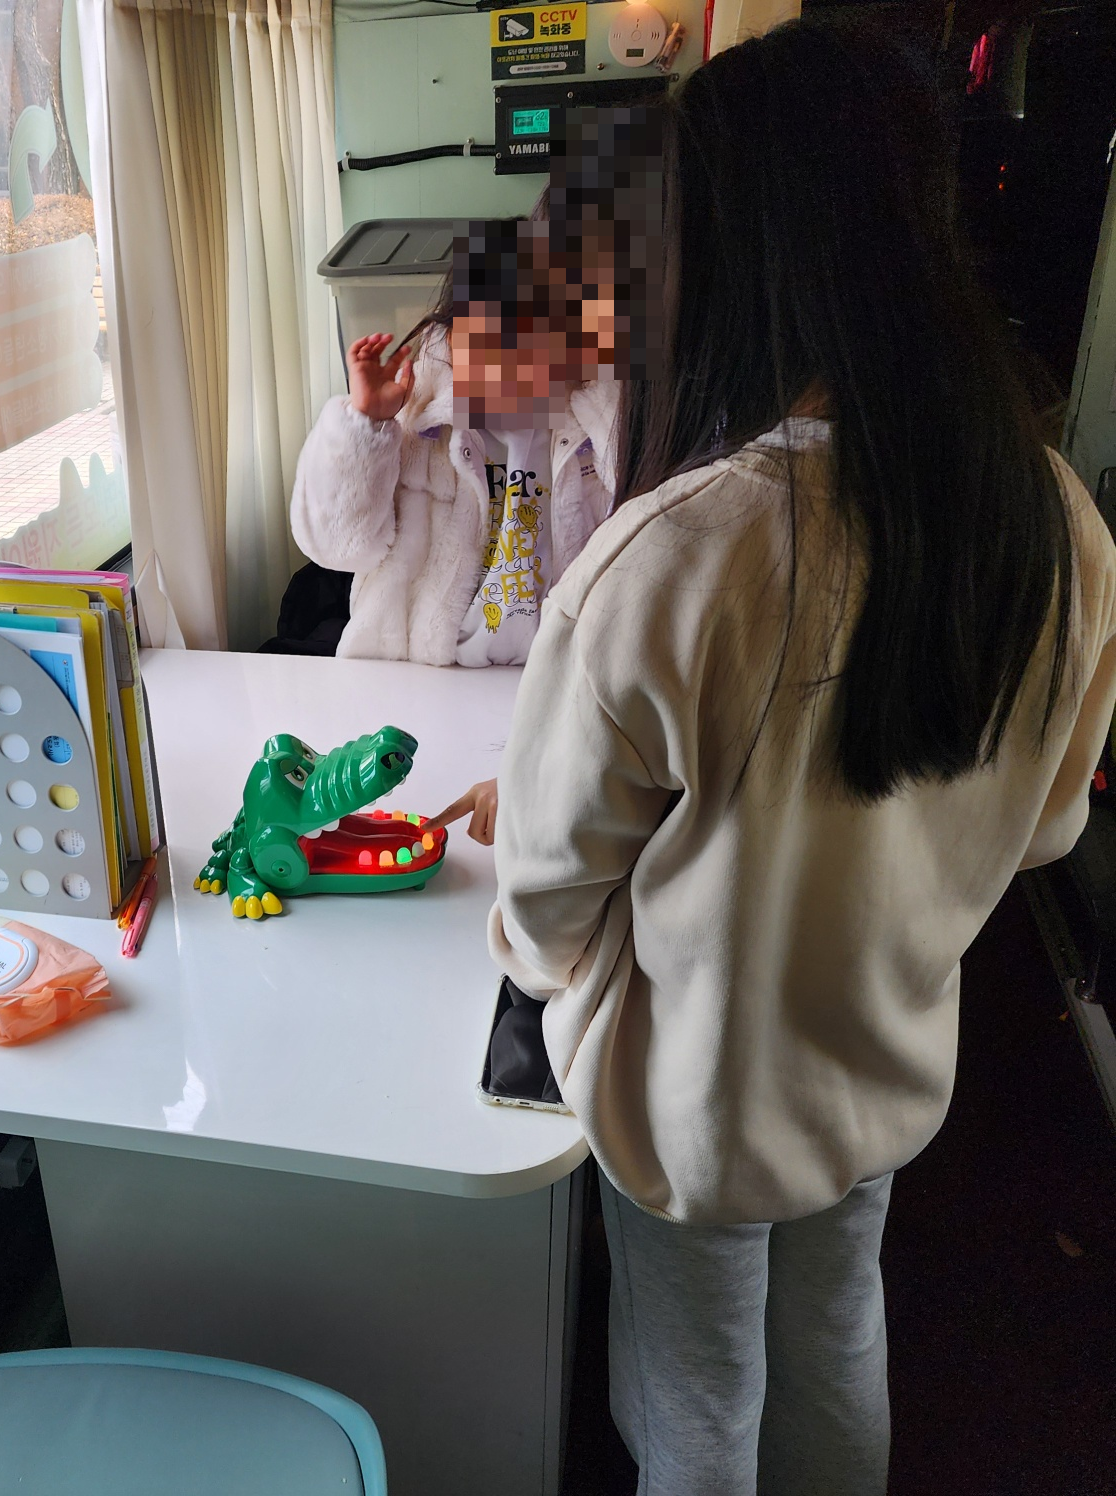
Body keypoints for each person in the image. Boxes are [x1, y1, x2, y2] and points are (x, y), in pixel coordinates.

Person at [488, 19, 1116, 1496]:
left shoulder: (672, 557)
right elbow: (1043, 831)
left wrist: (548, 961)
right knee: (839, 1329)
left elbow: (546, 897)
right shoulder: (1055, 521)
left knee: (697, 1385)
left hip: (699, 1097)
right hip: (884, 1058)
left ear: (730, 248)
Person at [293, 165, 637, 840]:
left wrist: (610, 403)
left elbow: (641, 541)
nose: (502, 373)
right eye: (482, 347)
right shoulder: (418, 418)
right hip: (414, 685)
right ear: (454, 338)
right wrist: (366, 423)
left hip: (540, 693)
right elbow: (334, 544)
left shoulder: (592, 432)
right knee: (397, 839)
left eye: (530, 350)